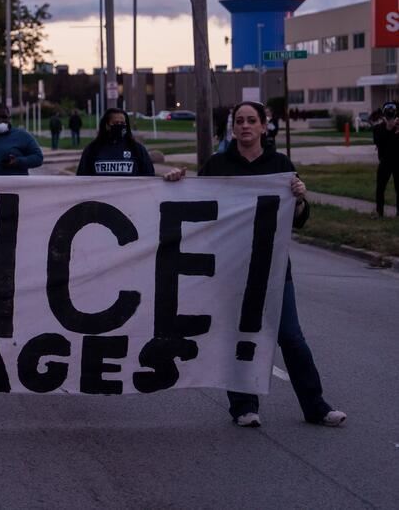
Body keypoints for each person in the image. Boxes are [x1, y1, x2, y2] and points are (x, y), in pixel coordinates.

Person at [199, 101, 346, 429]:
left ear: (264, 127)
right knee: (240, 337)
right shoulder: (218, 165)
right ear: (233, 128)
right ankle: (243, 406)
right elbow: (194, 208)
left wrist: (299, 198)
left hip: (275, 267)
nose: (245, 126)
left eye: (252, 120)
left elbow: (299, 219)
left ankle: (316, 406)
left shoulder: (280, 165)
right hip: (232, 268)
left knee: (291, 337)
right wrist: (177, 181)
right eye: (240, 121)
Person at [76, 108, 184, 180]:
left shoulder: (137, 149)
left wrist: (170, 177)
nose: (119, 126)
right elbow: (80, 181)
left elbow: (149, 179)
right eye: (115, 123)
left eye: (122, 123)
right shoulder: (92, 150)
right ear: (106, 125)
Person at [372, 101, 399, 217]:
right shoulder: (378, 128)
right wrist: (388, 129)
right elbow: (379, 143)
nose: (390, 113)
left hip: (398, 162)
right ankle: (379, 211)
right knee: (380, 188)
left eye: (393, 111)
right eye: (388, 111)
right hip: (385, 162)